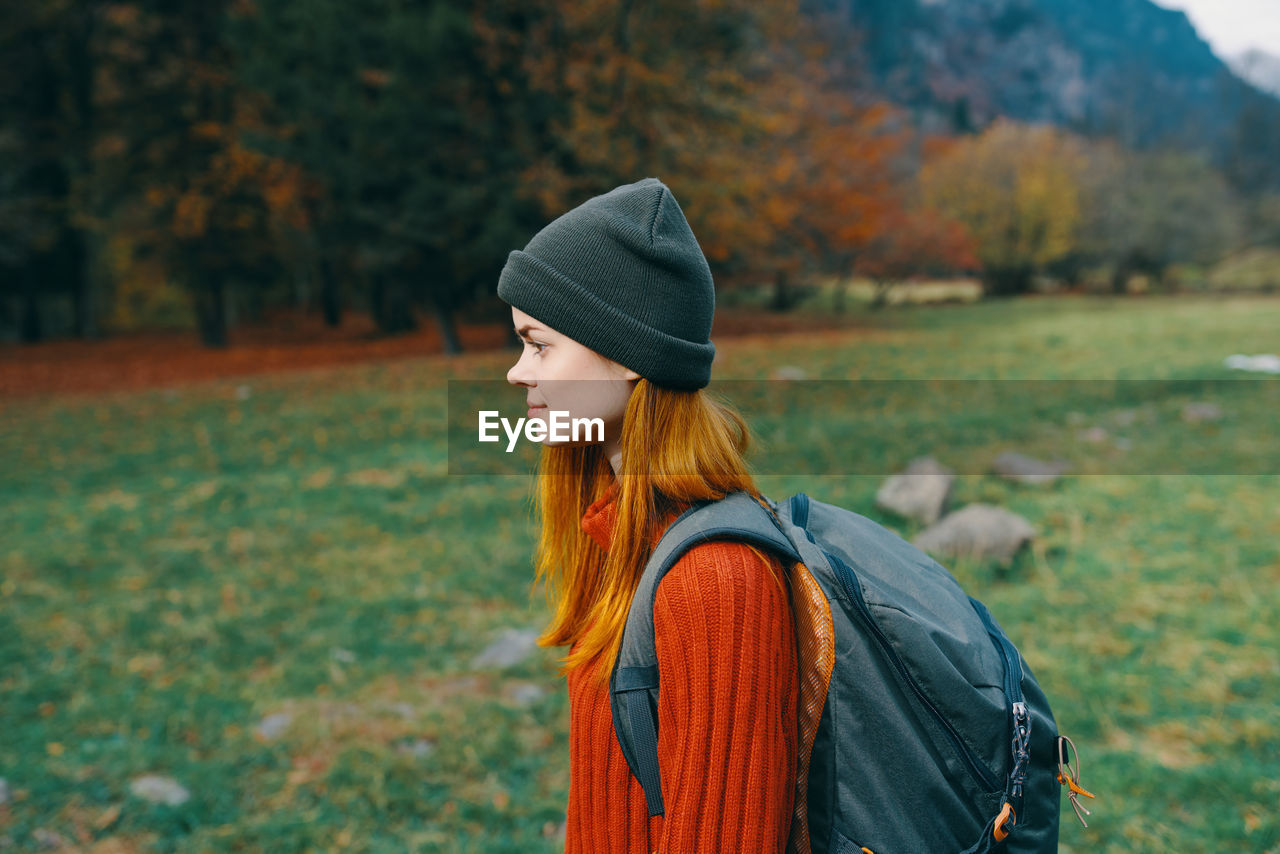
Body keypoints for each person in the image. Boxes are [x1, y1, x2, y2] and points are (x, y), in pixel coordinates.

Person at [497, 177, 799, 853]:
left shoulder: (717, 581)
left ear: (627, 355)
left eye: (539, 344)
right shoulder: (621, 539)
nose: (517, 373)